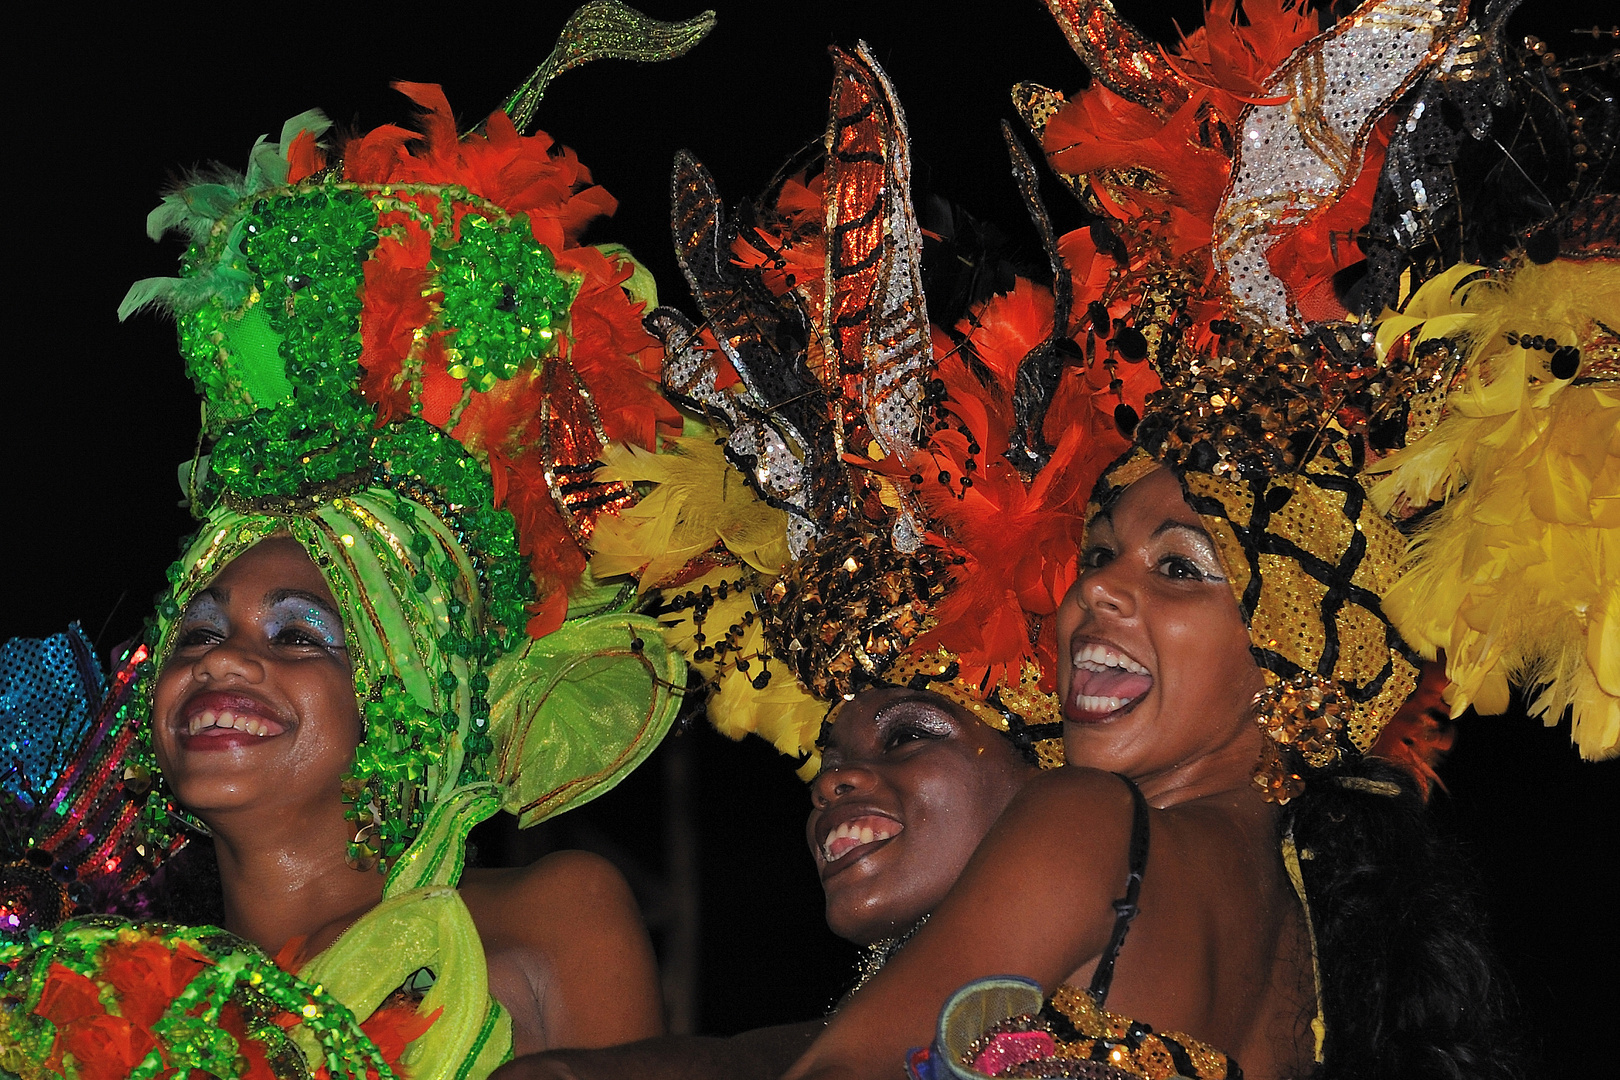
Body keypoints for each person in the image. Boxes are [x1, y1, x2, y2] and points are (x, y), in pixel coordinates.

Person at [0, 8, 719, 1075]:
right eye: (195, 633)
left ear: (407, 692)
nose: (222, 659)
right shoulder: (103, 1005)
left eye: (299, 635)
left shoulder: (548, 917)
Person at [492, 684, 1042, 1080]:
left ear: (1046, 762)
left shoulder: (1103, 827)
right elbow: (765, 1058)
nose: (827, 783)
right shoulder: (851, 1037)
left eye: (907, 736)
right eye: (829, 761)